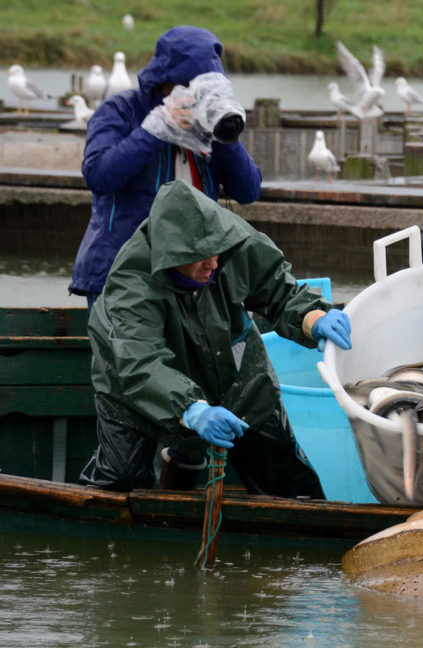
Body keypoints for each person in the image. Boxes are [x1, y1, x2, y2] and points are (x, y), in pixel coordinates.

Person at [78, 180, 353, 497]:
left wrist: (313, 318)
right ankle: (179, 463)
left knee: (285, 479)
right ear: (172, 255)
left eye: (216, 254)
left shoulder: (231, 241)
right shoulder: (131, 286)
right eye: (199, 256)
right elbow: (141, 363)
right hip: (131, 368)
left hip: (228, 359)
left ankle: (185, 457)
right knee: (120, 478)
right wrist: (192, 409)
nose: (213, 263)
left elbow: (279, 290)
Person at [69, 25, 262, 308]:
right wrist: (156, 130)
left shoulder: (207, 123)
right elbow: (99, 176)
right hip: (121, 275)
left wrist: (225, 135)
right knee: (126, 353)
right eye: (192, 86)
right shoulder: (120, 110)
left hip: (190, 275)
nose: (198, 95)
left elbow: (248, 191)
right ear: (165, 81)